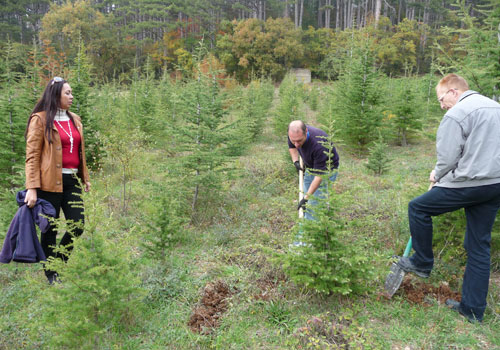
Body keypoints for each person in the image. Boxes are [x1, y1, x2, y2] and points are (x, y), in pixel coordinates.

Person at [397, 74, 500, 323]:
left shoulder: (457, 114)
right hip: (495, 185)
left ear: (454, 92)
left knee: (418, 208)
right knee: (478, 247)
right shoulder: (496, 107)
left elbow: (447, 157)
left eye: (441, 99)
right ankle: (472, 310)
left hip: (467, 183)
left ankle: (421, 262)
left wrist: (437, 174)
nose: (441, 105)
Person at [24, 76, 91, 284]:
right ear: (56, 95)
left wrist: (84, 177)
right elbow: (32, 155)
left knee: (77, 225)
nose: (71, 96)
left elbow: (80, 152)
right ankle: (51, 274)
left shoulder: (75, 119)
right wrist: (32, 188)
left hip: (72, 182)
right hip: (48, 183)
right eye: (67, 93)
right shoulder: (41, 119)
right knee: (50, 230)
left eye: (71, 93)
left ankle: (59, 262)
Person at [288, 120, 339, 220]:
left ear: (306, 131)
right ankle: (308, 224)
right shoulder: (293, 134)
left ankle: (309, 233)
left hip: (326, 171)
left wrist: (306, 199)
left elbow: (319, 176)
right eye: (293, 141)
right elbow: (291, 146)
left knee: (314, 204)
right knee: (308, 200)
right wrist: (295, 161)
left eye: (299, 141)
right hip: (311, 167)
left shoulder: (319, 145)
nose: (296, 144)